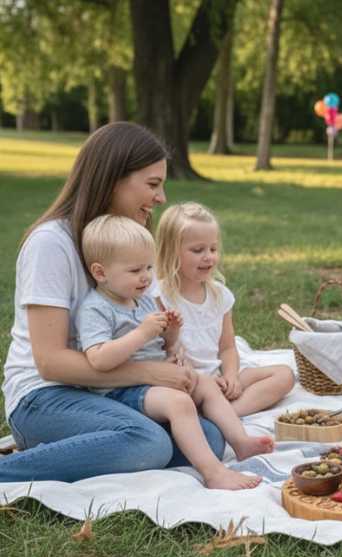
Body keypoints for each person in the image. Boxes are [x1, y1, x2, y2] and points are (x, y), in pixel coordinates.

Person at [1, 122, 225, 484]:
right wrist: (149, 373)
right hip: (43, 398)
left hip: (105, 391)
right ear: (112, 178)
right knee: (148, 442)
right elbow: (50, 363)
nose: (161, 198)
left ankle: (92, 445)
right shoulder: (51, 244)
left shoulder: (128, 244)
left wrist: (168, 349)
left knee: (211, 439)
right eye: (152, 184)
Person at [76, 215, 271, 490]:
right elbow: (98, 359)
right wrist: (142, 334)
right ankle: (213, 472)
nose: (145, 277)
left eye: (148, 267)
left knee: (204, 382)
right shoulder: (96, 308)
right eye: (135, 271)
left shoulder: (141, 301)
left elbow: (164, 346)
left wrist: (171, 335)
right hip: (121, 390)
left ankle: (240, 441)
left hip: (153, 381)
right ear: (100, 273)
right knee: (179, 403)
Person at [155, 202, 294, 417]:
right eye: (198, 250)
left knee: (285, 375)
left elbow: (227, 347)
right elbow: (162, 353)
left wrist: (231, 376)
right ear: (171, 252)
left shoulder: (219, 295)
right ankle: (218, 413)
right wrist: (201, 381)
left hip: (219, 378)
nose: (208, 256)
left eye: (213, 248)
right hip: (187, 384)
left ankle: (227, 413)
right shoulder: (160, 297)